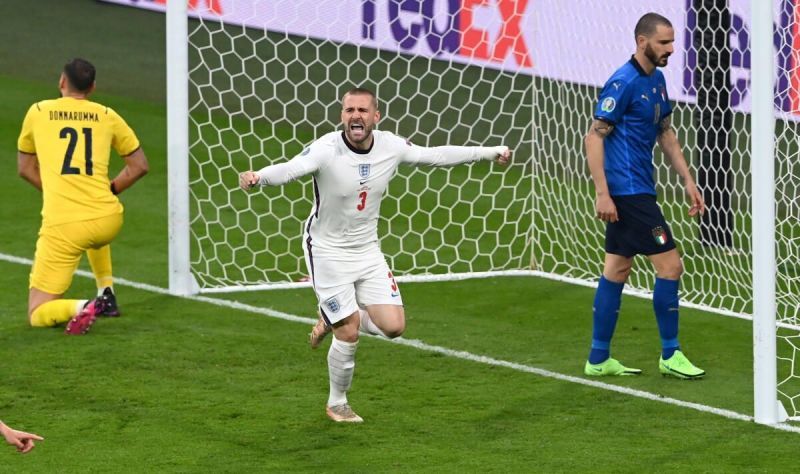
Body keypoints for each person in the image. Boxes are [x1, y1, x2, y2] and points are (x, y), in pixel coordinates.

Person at [239, 87, 511, 422]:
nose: (356, 116)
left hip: (368, 250)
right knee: (349, 331)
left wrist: (488, 152)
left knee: (394, 327)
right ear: (342, 116)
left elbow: (436, 155)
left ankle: (332, 315)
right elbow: (293, 168)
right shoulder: (326, 149)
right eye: (349, 109)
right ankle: (337, 402)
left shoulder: (390, 146)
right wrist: (258, 178)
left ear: (376, 117)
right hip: (327, 251)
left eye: (363, 110)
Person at [583, 13, 706, 379]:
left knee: (617, 269)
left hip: (637, 189)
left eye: (672, 42)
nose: (671, 49)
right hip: (629, 193)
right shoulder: (622, 82)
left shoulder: (658, 79)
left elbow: (665, 132)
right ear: (642, 42)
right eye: (664, 43)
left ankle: (598, 358)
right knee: (671, 266)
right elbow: (594, 136)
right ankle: (671, 353)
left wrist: (688, 179)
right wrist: (603, 194)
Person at [16, 58, 148, 335]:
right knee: (92, 225)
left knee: (37, 312)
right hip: (108, 218)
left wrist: (58, 192)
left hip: (65, 227)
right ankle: (106, 293)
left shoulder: (38, 111)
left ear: (61, 82)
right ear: (93, 87)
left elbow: (25, 168)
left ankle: (84, 307)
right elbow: (139, 166)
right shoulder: (107, 115)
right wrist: (110, 190)